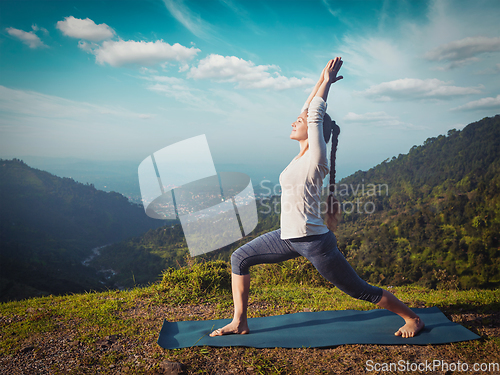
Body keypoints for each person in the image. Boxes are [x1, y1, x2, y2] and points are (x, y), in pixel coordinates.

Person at [210, 57, 425, 339]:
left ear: (314, 133)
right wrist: (320, 80)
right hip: (287, 237)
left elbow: (313, 114)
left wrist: (326, 85)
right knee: (239, 258)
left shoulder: (316, 158)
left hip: (314, 243)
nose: (293, 121)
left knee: (359, 290)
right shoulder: (301, 156)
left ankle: (412, 318)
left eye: (299, 121)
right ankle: (239, 321)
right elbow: (307, 109)